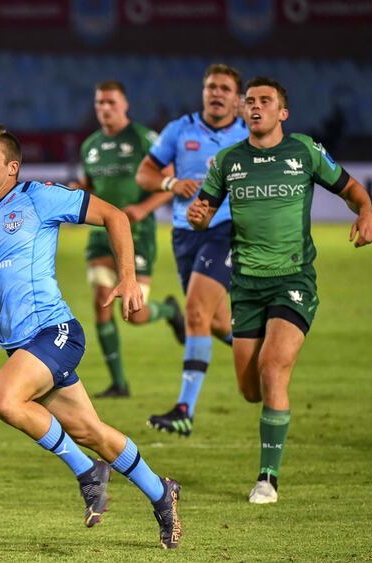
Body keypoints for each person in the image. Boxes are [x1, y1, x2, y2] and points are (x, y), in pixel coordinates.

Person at [0, 124, 182, 548]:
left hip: (55, 333)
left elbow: (115, 215)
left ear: (12, 167)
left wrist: (127, 277)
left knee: (3, 400)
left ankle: (88, 472)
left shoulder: (38, 197)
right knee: (92, 431)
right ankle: (162, 495)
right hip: (23, 349)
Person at [187, 77, 372, 504]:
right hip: (246, 286)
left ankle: (267, 478)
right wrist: (198, 217)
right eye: (249, 101)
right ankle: (275, 395)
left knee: (273, 369)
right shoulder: (226, 161)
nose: (255, 107)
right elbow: (203, 212)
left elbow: (351, 189)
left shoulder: (304, 151)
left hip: (293, 280)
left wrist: (365, 213)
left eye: (264, 101)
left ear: (282, 113)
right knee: (250, 389)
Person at [136, 64, 247, 435]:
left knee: (196, 312)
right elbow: (145, 174)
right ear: (203, 92)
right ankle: (264, 353)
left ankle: (185, 409)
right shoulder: (180, 129)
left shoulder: (250, 134)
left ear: (237, 98)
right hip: (185, 234)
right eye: (211, 87)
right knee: (215, 321)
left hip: (226, 230)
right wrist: (170, 181)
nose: (216, 93)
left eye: (225, 88)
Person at [74, 81, 183, 398]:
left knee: (135, 313)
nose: (104, 108)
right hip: (100, 232)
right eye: (99, 103)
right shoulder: (90, 146)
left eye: (110, 101)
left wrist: (143, 208)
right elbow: (90, 186)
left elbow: (170, 180)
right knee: (102, 300)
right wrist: (74, 191)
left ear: (125, 104)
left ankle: (169, 312)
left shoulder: (144, 138)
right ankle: (118, 383)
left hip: (137, 234)